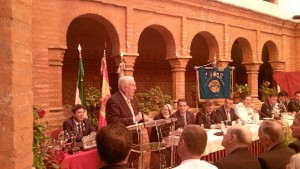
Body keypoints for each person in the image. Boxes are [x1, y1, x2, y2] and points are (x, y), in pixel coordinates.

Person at [149, 104, 173, 169]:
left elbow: (175, 128)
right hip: (157, 142)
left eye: (168, 110)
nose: (166, 111)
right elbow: (161, 133)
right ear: (161, 110)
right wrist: (172, 132)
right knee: (168, 151)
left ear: (171, 111)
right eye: (164, 109)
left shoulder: (172, 118)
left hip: (169, 142)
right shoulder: (157, 118)